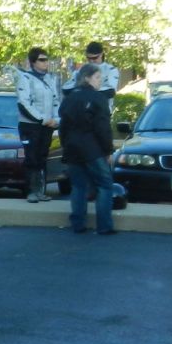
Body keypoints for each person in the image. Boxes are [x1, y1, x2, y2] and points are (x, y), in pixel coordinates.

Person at [59, 63, 116, 235]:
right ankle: (104, 226)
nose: (100, 81)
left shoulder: (69, 98)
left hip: (72, 148)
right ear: (87, 78)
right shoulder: (98, 98)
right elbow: (102, 128)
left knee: (78, 186)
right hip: (93, 148)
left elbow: (63, 127)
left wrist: (66, 146)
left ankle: (78, 224)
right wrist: (108, 150)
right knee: (105, 185)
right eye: (97, 77)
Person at [15, 47, 60, 204]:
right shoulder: (25, 78)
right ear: (33, 62)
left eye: (46, 59)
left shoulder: (50, 79)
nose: (45, 62)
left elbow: (55, 101)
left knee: (42, 157)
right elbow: (24, 103)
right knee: (31, 157)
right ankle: (31, 191)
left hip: (47, 126)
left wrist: (56, 119)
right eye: (42, 60)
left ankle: (41, 191)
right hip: (30, 126)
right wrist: (42, 119)